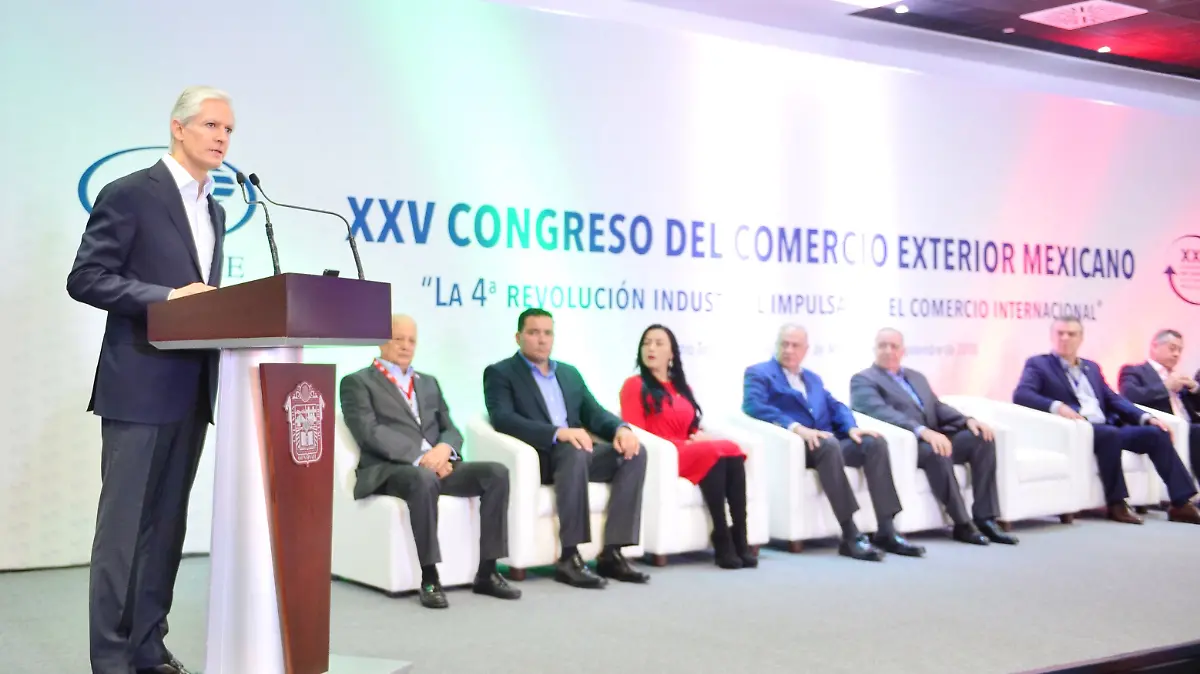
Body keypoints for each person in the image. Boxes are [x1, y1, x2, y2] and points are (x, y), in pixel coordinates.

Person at [67, 86, 234, 674]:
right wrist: (166, 297)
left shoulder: (216, 209)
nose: (222, 138)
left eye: (228, 130)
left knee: (165, 529)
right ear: (178, 127)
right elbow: (86, 277)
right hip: (138, 386)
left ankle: (148, 646)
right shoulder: (131, 193)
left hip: (192, 386)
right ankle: (112, 659)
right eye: (211, 125)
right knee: (123, 533)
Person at [340, 315, 520, 609]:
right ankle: (429, 577)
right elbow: (369, 432)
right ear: (381, 341)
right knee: (422, 479)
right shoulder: (357, 382)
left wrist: (445, 450)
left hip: (437, 464)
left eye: (412, 340)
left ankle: (488, 571)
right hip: (391, 469)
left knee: (496, 473)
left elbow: (450, 428)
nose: (406, 346)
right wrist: (422, 457)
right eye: (399, 339)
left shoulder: (428, 382)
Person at [483, 308, 650, 588]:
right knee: (574, 449)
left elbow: (594, 413)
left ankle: (613, 552)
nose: (542, 339)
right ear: (518, 337)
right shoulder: (501, 373)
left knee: (634, 453)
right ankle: (570, 556)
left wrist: (621, 429)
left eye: (547, 333)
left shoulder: (569, 374)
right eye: (533, 332)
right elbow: (504, 419)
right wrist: (557, 433)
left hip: (578, 456)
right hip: (540, 457)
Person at [744, 324, 925, 561]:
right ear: (776, 345)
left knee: (874, 443)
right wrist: (797, 428)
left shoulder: (812, 379)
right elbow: (754, 406)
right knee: (828, 445)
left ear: (805, 350)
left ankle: (886, 529)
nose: (788, 350)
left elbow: (836, 406)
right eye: (784, 344)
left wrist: (851, 428)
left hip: (827, 441)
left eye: (795, 345)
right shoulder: (759, 373)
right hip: (798, 446)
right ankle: (850, 534)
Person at [1014, 318, 1200, 525]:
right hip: (1077, 429)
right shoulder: (1039, 364)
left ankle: (1181, 503)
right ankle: (1116, 503)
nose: (1065, 338)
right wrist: (1058, 407)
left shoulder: (1091, 367)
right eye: (1060, 333)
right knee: (1109, 435)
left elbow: (1114, 399)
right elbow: (1022, 394)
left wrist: (1147, 418)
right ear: (1052, 336)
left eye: (1071, 334)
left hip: (1108, 427)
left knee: (1156, 434)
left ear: (1080, 338)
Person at [851, 328, 1017, 546]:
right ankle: (962, 523)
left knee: (981, 439)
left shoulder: (916, 377)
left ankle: (986, 518)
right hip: (907, 444)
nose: (888, 351)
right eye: (883, 346)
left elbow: (936, 407)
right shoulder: (863, 380)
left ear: (903, 351)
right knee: (937, 451)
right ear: (874, 349)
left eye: (894, 346)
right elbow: (882, 413)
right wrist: (922, 431)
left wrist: (966, 420)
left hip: (934, 435)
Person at [620, 324, 756, 569]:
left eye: (658, 343)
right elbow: (635, 430)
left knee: (732, 450)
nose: (651, 348)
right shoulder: (634, 385)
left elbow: (691, 426)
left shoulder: (682, 388)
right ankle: (722, 536)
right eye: (646, 343)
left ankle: (740, 536)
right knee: (713, 451)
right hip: (663, 453)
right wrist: (691, 443)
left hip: (688, 448)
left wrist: (699, 436)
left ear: (671, 353)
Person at [1119, 329, 1200, 489]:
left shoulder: (1179, 377)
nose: (1176, 354)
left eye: (1180, 350)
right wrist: (1165, 387)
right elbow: (1130, 397)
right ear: (1155, 346)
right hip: (1165, 426)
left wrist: (1194, 388)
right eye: (1172, 348)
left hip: (1189, 425)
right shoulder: (1134, 371)